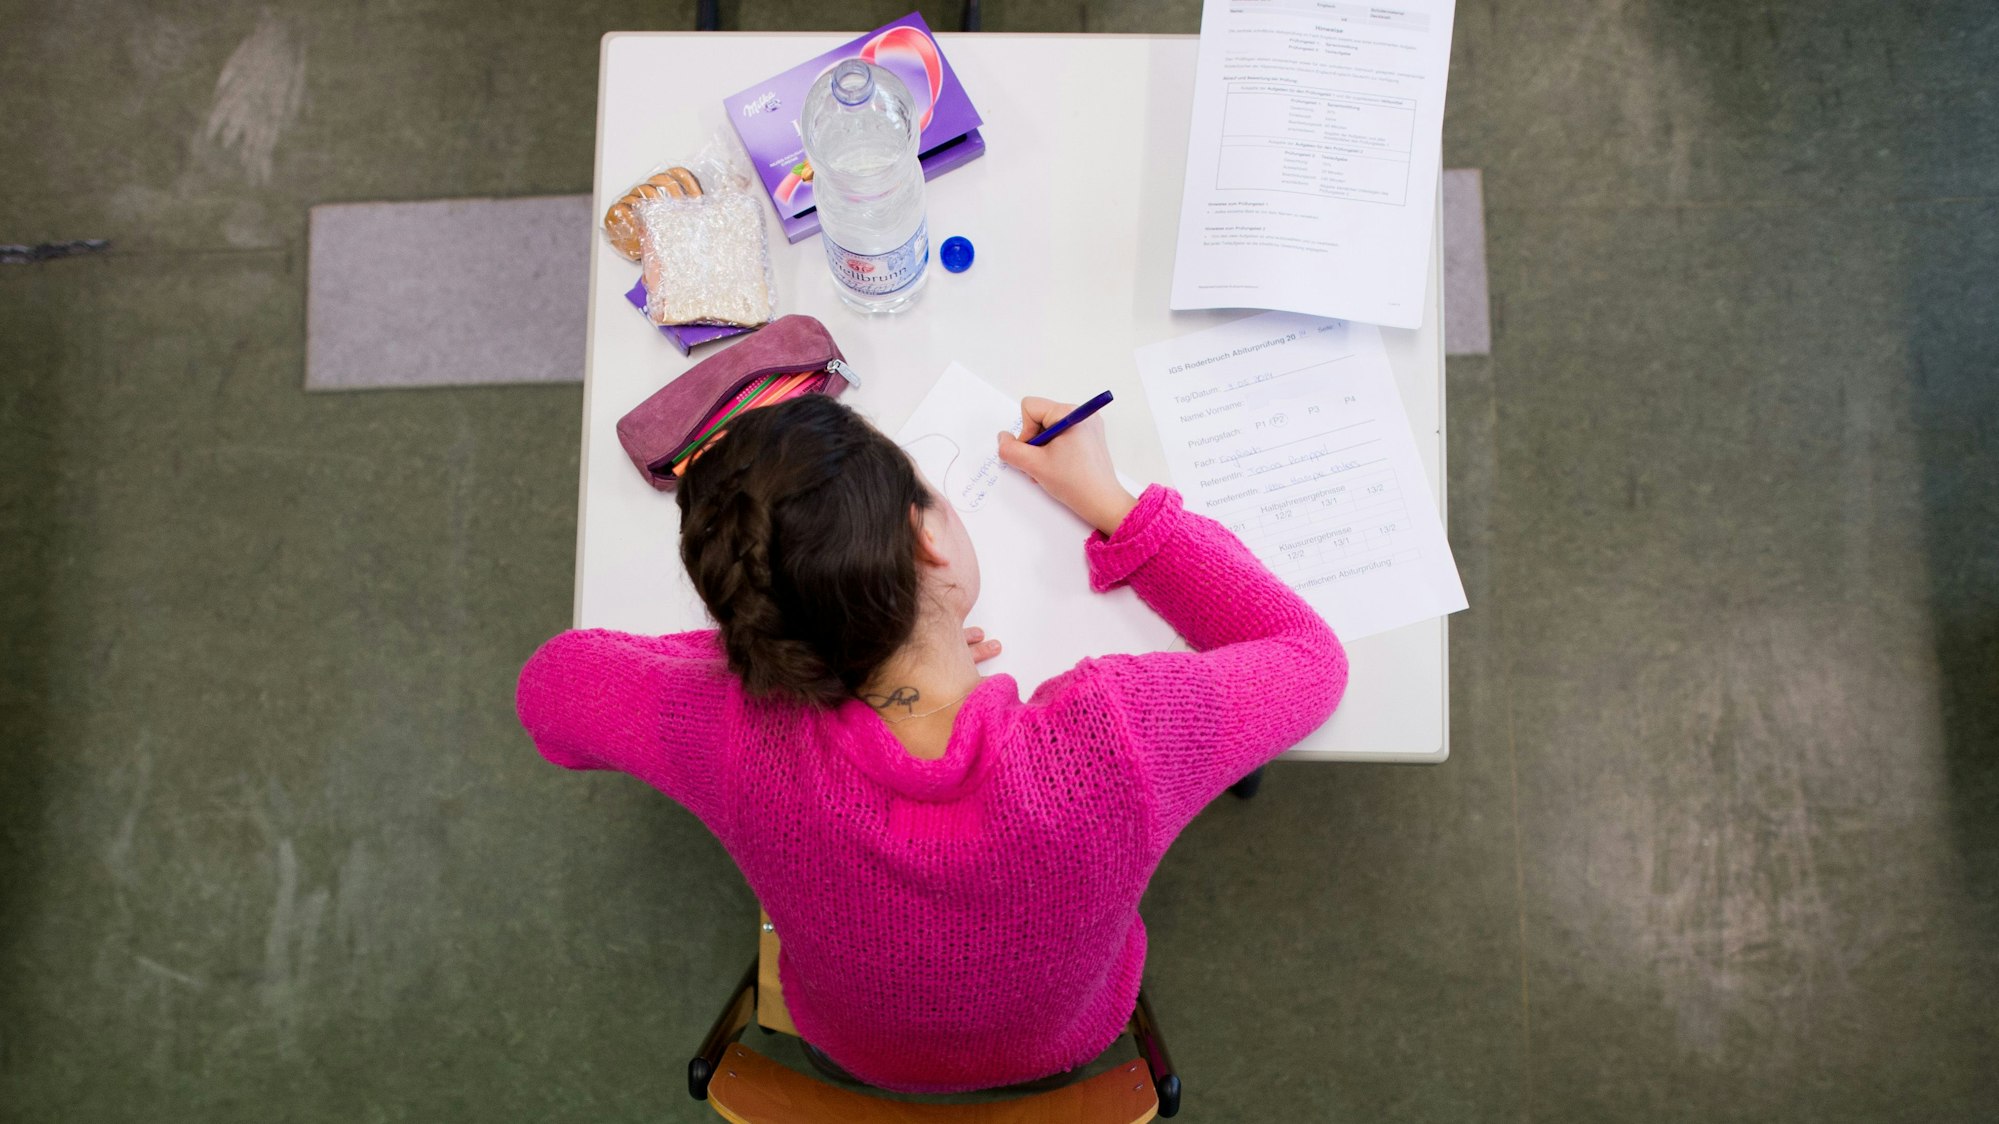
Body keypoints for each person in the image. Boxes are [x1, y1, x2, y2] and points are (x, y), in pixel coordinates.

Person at [515, 393, 1347, 1093]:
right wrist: (1115, 504)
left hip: (846, 1049)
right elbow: (1311, 660)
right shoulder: (1119, 733)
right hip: (1070, 1039)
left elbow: (549, 693)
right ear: (928, 541)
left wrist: (773, 659)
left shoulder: (732, 728)